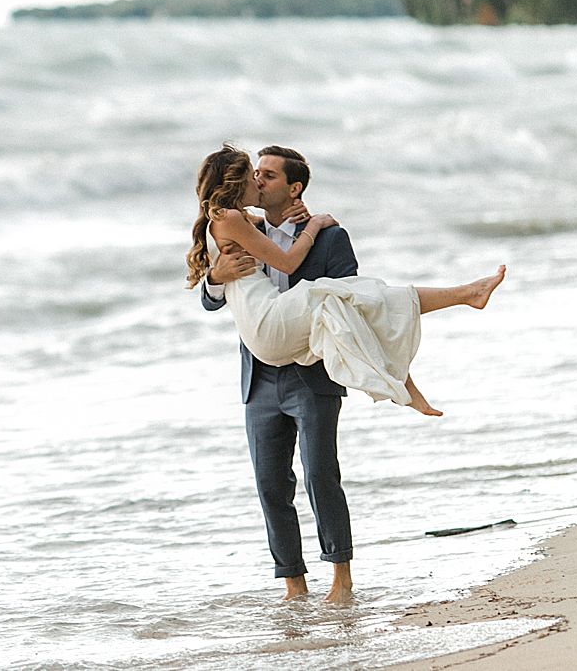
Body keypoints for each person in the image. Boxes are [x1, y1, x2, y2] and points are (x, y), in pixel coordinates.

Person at [193, 144, 503, 603]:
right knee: (270, 484)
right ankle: (293, 587)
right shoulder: (244, 224)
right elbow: (209, 298)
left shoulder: (331, 239)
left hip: (311, 372)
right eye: (255, 173)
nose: (258, 181)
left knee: (321, 475)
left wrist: (314, 224)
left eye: (269, 176)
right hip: (260, 373)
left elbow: (359, 307)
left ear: (294, 187)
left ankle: (341, 580)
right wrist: (215, 278)